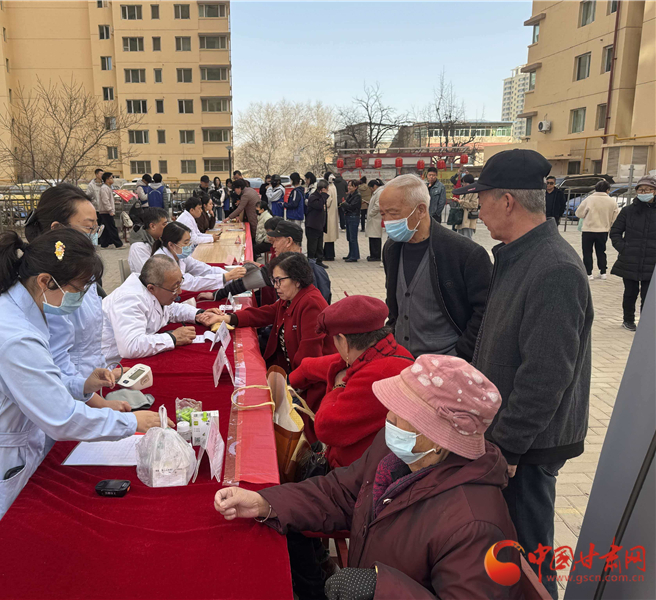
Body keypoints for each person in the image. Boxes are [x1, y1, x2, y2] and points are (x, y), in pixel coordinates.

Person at [0, 229, 165, 591]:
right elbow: (60, 418)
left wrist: (81, 384)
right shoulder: (13, 333)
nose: (79, 299)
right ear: (46, 280)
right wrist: (129, 422)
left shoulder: (21, 312)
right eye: (78, 289)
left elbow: (38, 382)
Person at [214, 354, 525, 600]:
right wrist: (265, 502)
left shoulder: (475, 526)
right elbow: (340, 493)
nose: (389, 418)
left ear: (439, 438)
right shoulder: (396, 455)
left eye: (403, 415)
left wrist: (380, 587)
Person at [456, 148, 593, 600]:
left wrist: (508, 446)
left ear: (508, 201)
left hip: (528, 445)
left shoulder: (554, 268)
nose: (478, 210)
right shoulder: (517, 256)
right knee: (507, 550)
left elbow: (546, 374)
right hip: (508, 435)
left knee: (529, 557)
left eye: (482, 200)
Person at [24, 183, 127, 413]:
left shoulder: (76, 272)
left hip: (87, 389)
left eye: (97, 228)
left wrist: (106, 375)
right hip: (70, 401)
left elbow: (87, 343)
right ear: (57, 229)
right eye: (89, 228)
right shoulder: (52, 287)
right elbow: (57, 366)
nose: (94, 236)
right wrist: (103, 406)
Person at [291, 295, 414, 470]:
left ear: (343, 341)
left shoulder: (377, 375)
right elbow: (321, 365)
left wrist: (338, 385)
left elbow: (326, 428)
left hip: (357, 475)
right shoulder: (388, 351)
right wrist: (292, 379)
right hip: (365, 463)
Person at [381, 174, 491, 361]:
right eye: (383, 214)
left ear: (421, 210)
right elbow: (395, 302)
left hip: (448, 363)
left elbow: (485, 311)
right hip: (402, 359)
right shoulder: (392, 249)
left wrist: (462, 352)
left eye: (394, 213)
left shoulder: (464, 253)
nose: (387, 222)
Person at [204, 252, 335, 378]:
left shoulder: (311, 305)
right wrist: (228, 318)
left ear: (297, 280)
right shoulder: (292, 295)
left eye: (279, 280)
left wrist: (289, 384)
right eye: (274, 280)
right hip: (287, 369)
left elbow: (308, 358)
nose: (275, 286)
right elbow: (266, 313)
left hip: (306, 380)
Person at [101, 255, 219, 362]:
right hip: (113, 366)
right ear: (151, 288)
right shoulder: (128, 300)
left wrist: (199, 314)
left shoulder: (154, 288)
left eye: (180, 284)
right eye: (174, 288)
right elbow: (131, 346)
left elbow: (171, 309)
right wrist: (173, 338)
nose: (179, 292)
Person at [610, 175, 656, 331]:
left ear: (654, 191)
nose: (644, 192)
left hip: (651, 261)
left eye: (648, 190)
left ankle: (646, 323)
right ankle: (628, 320)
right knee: (630, 293)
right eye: (641, 190)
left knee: (648, 295)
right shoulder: (628, 211)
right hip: (630, 259)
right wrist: (624, 248)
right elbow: (615, 232)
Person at [152, 222, 245, 292]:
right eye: (186, 242)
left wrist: (230, 275)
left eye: (189, 242)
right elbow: (191, 283)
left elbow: (203, 269)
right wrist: (225, 277)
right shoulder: (162, 262)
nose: (189, 246)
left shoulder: (179, 255)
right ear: (171, 245)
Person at [268, 221, 331, 304]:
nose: (274, 245)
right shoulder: (313, 268)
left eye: (277, 240)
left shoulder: (305, 273)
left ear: (289, 241)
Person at [576, 179, 619, 280]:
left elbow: (579, 213)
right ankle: (603, 272)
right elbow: (615, 217)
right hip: (603, 230)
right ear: (608, 190)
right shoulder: (612, 201)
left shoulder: (589, 199)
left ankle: (588, 273)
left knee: (587, 252)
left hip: (588, 230)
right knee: (601, 251)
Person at [127, 207, 169, 273]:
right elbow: (149, 273)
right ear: (152, 226)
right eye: (164, 224)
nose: (167, 227)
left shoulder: (157, 240)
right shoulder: (138, 247)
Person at [224, 178, 260, 247]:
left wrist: (228, 218)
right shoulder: (250, 190)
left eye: (235, 189)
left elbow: (240, 209)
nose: (235, 191)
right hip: (256, 215)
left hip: (253, 216)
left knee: (254, 235)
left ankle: (254, 251)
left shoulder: (245, 195)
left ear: (239, 188)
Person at [304, 180, 327, 268]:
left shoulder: (320, 197)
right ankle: (311, 262)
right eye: (326, 190)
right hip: (312, 225)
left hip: (319, 225)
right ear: (322, 189)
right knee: (312, 246)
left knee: (319, 245)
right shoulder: (313, 197)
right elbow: (319, 205)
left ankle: (319, 261)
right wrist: (324, 195)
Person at [97, 172, 123, 249]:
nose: (112, 179)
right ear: (107, 179)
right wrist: (110, 210)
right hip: (106, 211)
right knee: (112, 228)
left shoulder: (107, 188)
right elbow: (105, 200)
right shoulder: (104, 188)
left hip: (106, 211)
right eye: (111, 178)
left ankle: (104, 244)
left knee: (105, 228)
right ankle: (118, 244)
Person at [453, 174, 480, 239]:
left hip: (469, 218)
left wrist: (461, 202)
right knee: (460, 238)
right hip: (461, 218)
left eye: (465, 183)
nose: (463, 184)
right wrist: (458, 201)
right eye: (463, 182)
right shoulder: (463, 191)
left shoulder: (475, 192)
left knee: (467, 238)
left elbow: (474, 204)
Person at [342, 179, 362, 262]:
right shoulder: (350, 195)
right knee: (349, 237)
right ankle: (351, 253)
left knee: (353, 237)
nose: (349, 187)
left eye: (351, 186)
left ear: (355, 187)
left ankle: (354, 256)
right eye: (348, 185)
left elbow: (352, 206)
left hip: (354, 217)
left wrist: (344, 204)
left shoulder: (357, 196)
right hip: (348, 216)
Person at [365, 179, 384, 261]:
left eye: (371, 188)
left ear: (375, 186)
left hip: (376, 218)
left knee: (375, 238)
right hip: (374, 218)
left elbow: (377, 206)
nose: (371, 190)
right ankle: (373, 254)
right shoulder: (377, 192)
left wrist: (371, 213)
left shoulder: (379, 192)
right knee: (372, 237)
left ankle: (376, 255)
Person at [323, 172, 339, 260]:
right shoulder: (334, 186)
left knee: (328, 236)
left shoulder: (329, 188)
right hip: (333, 213)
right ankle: (329, 254)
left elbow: (327, 202)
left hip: (328, 214)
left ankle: (328, 255)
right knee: (330, 236)